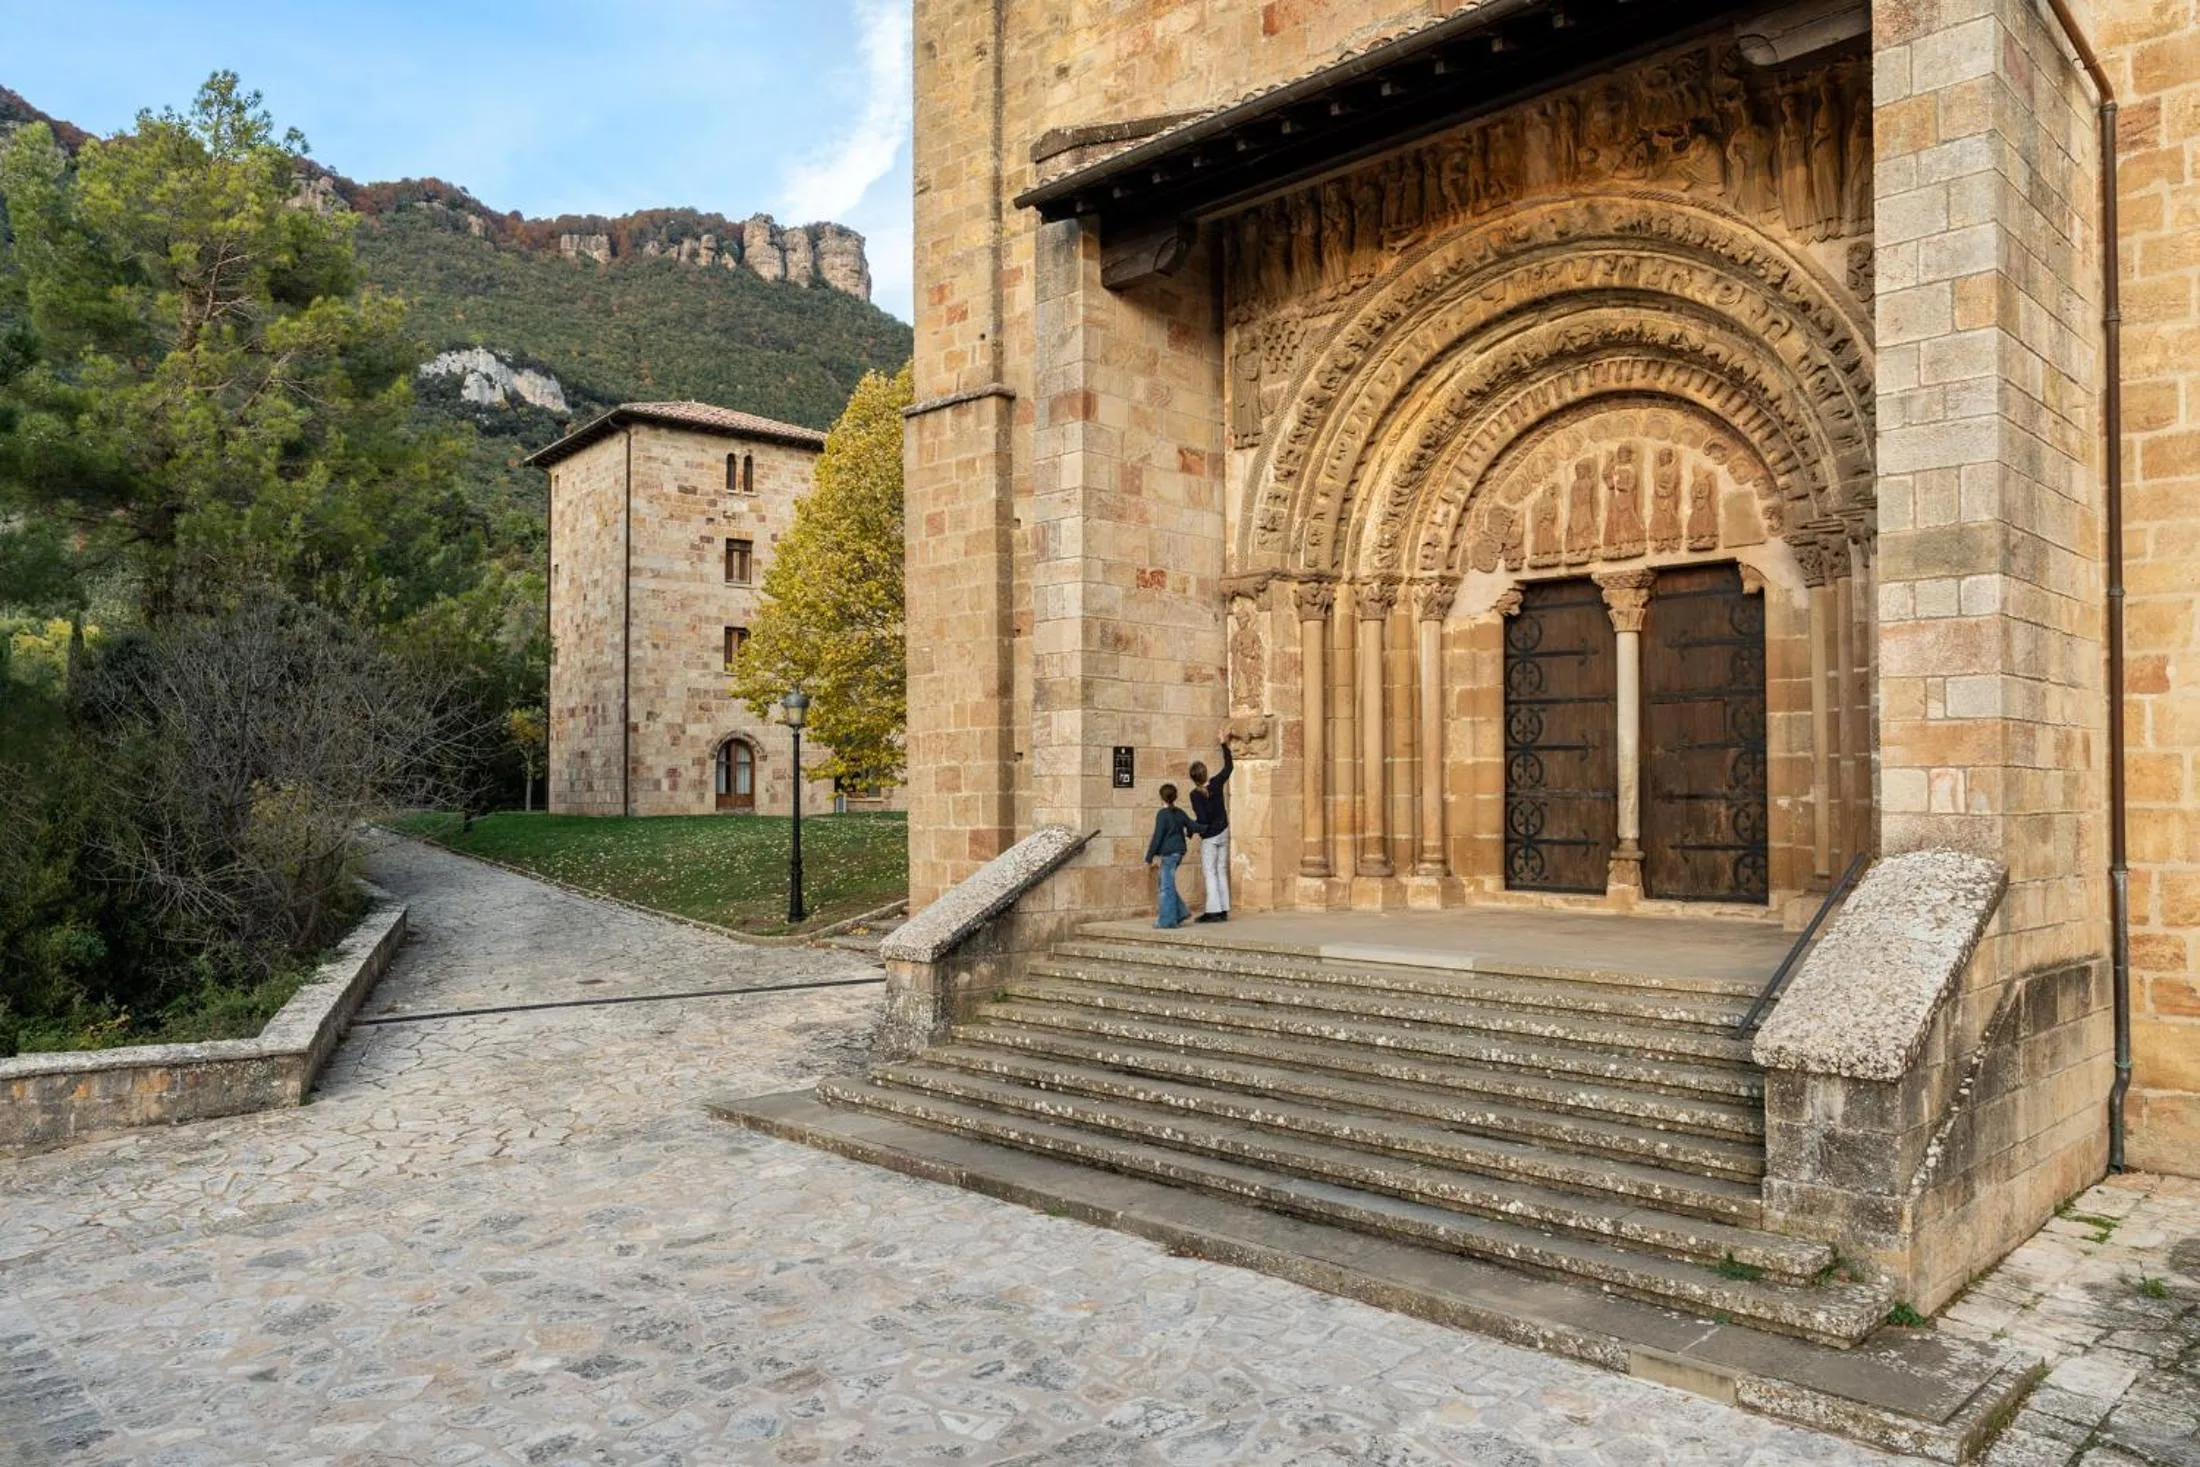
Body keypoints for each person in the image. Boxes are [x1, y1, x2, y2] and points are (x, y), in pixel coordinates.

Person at [1188, 739, 1234, 923]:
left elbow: (1202, 820)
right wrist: (1224, 745)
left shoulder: (1195, 794)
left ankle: (1213, 910)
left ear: (1193, 778)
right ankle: (1223, 908)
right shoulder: (1216, 783)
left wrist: (1191, 828)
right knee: (1221, 870)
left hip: (1211, 835)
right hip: (1223, 830)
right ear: (1205, 773)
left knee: (1210, 871)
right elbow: (1229, 767)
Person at [1144, 783, 1196, 929]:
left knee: (1166, 887)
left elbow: (1157, 836)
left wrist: (1149, 857)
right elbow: (1191, 824)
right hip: (1178, 852)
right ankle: (1180, 912)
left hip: (1169, 854)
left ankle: (1166, 921)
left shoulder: (1163, 814)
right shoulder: (1179, 812)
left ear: (1161, 797)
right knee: (1165, 883)